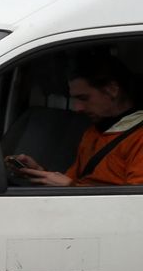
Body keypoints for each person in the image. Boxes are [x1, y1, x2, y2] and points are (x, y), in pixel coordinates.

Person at [10, 54, 143, 187]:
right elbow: (73, 180)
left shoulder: (138, 137)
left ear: (112, 90)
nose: (77, 108)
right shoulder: (93, 132)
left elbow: (135, 202)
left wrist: (71, 186)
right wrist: (40, 173)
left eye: (84, 98)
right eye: (75, 99)